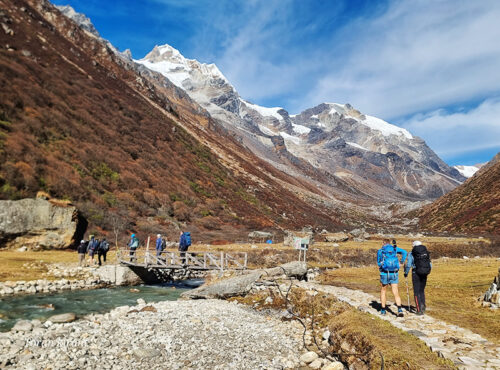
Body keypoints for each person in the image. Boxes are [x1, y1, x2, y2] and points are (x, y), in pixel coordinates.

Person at [377, 238, 407, 317]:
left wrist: (381, 266)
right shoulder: (395, 248)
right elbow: (405, 252)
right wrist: (401, 262)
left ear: (383, 243)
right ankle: (399, 309)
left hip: (384, 273)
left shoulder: (380, 251)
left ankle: (383, 310)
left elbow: (378, 262)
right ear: (389, 243)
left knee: (383, 291)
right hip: (394, 273)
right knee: (395, 292)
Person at [405, 241, 432, 315]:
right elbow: (430, 264)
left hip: (415, 273)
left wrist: (406, 273)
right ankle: (423, 306)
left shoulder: (412, 253)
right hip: (425, 272)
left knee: (416, 292)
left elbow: (408, 264)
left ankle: (419, 309)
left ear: (414, 246)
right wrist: (427, 271)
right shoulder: (426, 252)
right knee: (421, 290)